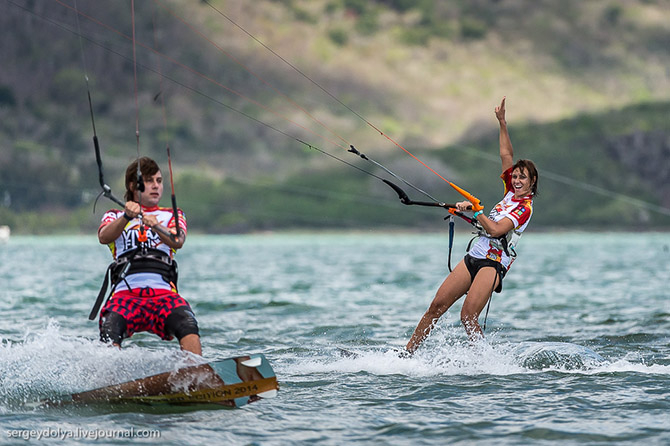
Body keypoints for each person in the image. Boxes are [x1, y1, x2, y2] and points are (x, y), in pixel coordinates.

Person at [405, 97, 538, 353]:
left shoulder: (525, 208)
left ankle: (486, 362)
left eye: (523, 178)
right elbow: (506, 154)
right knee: (437, 306)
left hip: (493, 263)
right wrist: (502, 123)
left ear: (532, 182)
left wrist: (477, 211)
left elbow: (497, 230)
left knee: (467, 316)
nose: (518, 180)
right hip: (475, 255)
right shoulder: (510, 192)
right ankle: (407, 352)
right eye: (516, 176)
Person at [96, 157, 202, 355]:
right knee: (110, 326)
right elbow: (103, 237)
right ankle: (109, 380)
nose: (156, 186)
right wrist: (127, 217)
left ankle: (196, 374)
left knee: (188, 323)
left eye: (159, 181)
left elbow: (178, 240)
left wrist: (156, 225)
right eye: (150, 181)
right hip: (125, 295)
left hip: (163, 294)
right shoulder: (114, 216)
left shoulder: (173, 215)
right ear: (133, 185)